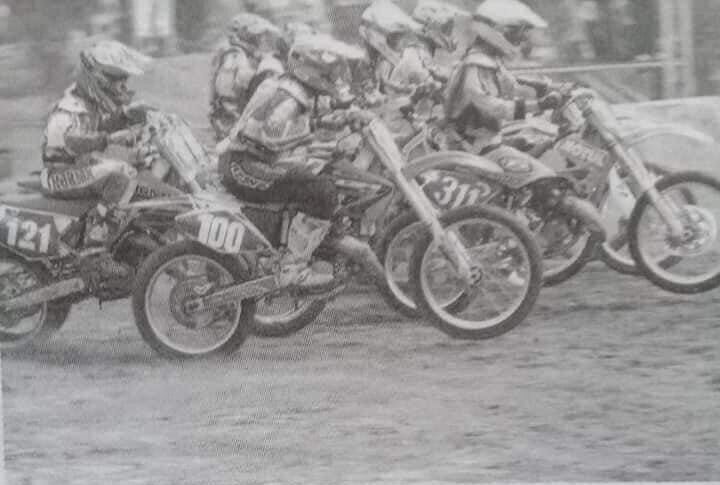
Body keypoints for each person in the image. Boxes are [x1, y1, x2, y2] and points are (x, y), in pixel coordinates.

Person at [219, 33, 366, 289]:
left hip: (249, 161)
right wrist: (316, 129)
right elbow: (271, 134)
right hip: (244, 166)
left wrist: (327, 123)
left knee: (318, 174)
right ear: (313, 69)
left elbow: (287, 129)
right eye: (330, 71)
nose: (335, 77)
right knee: (321, 190)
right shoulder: (290, 96)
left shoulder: (292, 88)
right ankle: (292, 267)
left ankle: (300, 248)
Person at [41, 40, 151, 248]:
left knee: (131, 168)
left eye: (124, 80)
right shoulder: (68, 107)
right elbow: (72, 140)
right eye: (116, 79)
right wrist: (108, 139)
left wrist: (125, 115)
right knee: (119, 176)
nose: (121, 86)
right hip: (59, 175)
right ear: (98, 78)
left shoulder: (87, 104)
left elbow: (99, 124)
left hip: (77, 168)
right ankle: (94, 239)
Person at [443, 0, 561, 153]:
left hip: (485, 140)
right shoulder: (477, 63)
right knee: (539, 166)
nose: (521, 39)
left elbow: (512, 86)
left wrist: (548, 88)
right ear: (497, 30)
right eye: (515, 32)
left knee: (542, 139)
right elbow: (493, 107)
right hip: (471, 146)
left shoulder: (489, 60)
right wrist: (540, 105)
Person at [209, 13, 286, 141]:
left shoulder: (238, 54)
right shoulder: (235, 58)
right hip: (231, 125)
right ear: (246, 36)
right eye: (257, 37)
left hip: (232, 121)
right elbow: (228, 95)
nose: (260, 40)